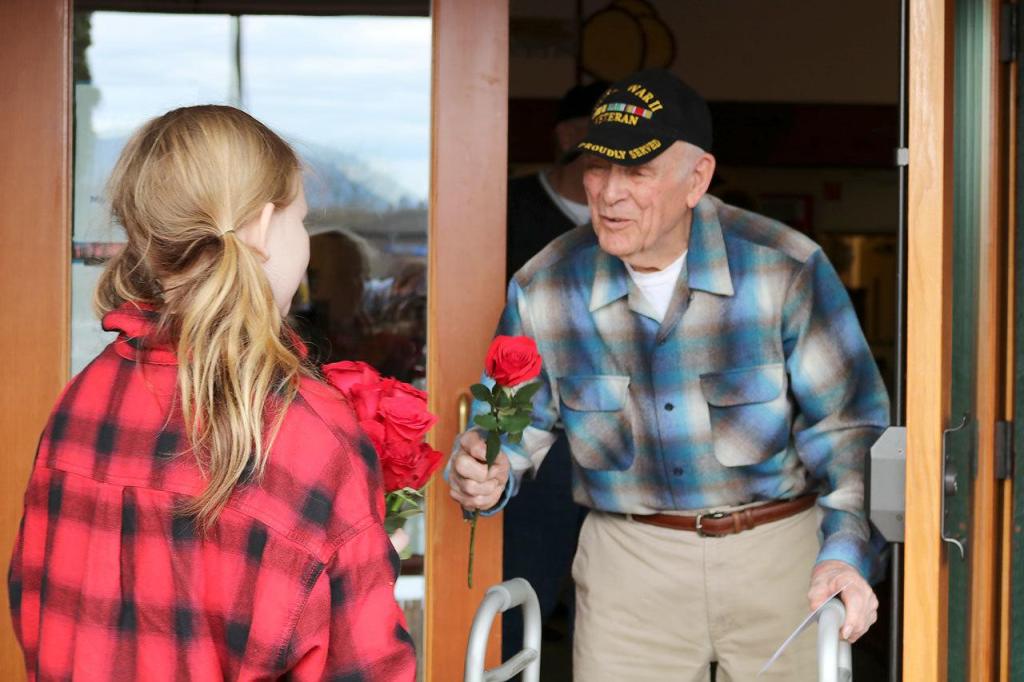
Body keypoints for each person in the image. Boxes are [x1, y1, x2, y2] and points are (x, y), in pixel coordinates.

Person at [448, 69, 889, 681]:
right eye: (598, 167)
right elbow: (506, 431)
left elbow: (850, 430)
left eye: (638, 171)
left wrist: (844, 553)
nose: (608, 192)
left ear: (697, 178)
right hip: (629, 564)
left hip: (781, 555)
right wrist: (482, 469)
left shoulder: (783, 269)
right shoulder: (545, 285)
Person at [7, 106, 416, 681]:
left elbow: (38, 606)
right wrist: (363, 565)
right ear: (257, 228)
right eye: (300, 221)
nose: (305, 243)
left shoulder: (82, 400)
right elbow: (366, 670)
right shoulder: (303, 428)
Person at [501, 80, 607, 665]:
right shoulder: (509, 208)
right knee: (525, 598)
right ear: (570, 135)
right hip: (536, 438)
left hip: (621, 444)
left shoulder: (646, 224)